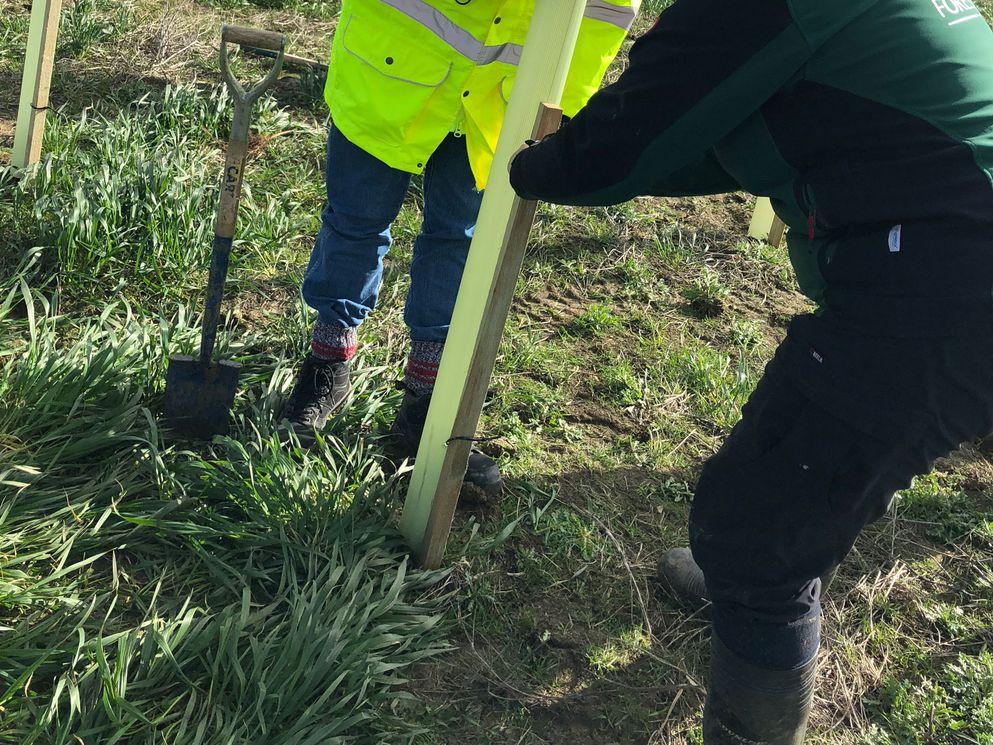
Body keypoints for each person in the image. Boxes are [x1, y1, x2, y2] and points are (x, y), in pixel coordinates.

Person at [508, 0, 993, 741]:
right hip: (956, 252)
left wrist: (530, 162)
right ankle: (758, 585)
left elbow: (628, 142)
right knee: (827, 469)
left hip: (949, 289)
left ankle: (756, 598)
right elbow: (720, 134)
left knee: (758, 525)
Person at [281, 0, 639, 494]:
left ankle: (428, 398)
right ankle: (329, 359)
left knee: (458, 239)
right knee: (355, 222)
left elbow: (602, 19)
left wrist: (557, 114)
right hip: (393, 66)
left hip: (501, 100)